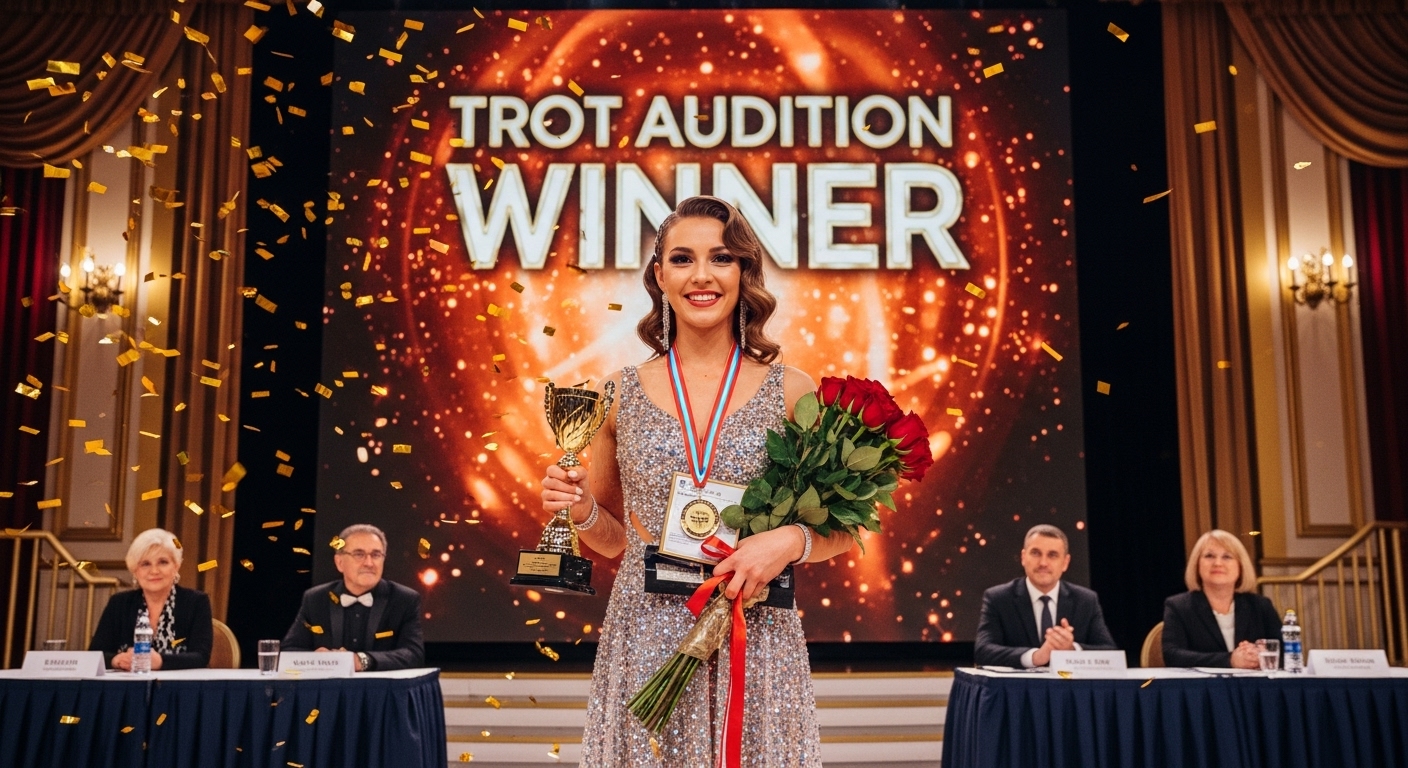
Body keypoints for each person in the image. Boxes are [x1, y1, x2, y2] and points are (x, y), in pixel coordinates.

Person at [538, 196, 852, 766]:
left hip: (756, 631)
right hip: (647, 631)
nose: (702, 275)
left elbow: (846, 529)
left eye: (721, 258)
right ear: (660, 276)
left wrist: (788, 541)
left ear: (743, 272)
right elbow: (614, 538)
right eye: (683, 259)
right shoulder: (617, 392)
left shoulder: (793, 389)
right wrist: (581, 510)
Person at [281, 523, 424, 671]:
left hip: (381, 686)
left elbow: (414, 654)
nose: (369, 563)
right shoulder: (316, 599)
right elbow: (289, 652)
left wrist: (361, 660)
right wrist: (317, 659)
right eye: (359, 554)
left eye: (376, 555)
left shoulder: (404, 600)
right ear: (339, 562)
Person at [974, 524, 1117, 667]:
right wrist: (1036, 656)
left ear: (1065, 562)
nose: (1043, 563)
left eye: (1052, 555)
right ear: (1023, 557)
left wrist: (1072, 649)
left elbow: (1110, 653)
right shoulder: (998, 598)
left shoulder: (1086, 600)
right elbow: (983, 652)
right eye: (1036, 553)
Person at [89, 528, 212, 670]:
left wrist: (159, 661)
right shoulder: (118, 603)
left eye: (163, 562)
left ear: (176, 566)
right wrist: (117, 660)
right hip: (130, 682)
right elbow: (94, 655)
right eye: (145, 564)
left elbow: (201, 657)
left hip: (179, 684)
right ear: (135, 570)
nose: (154, 571)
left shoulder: (196, 602)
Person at [1161, 529, 1280, 668]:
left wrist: (1260, 656)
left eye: (1227, 557)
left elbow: (1286, 652)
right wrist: (1230, 660)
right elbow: (1172, 656)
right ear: (1197, 564)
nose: (1218, 563)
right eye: (1209, 556)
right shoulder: (1179, 606)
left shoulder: (1260, 605)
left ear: (1241, 566)